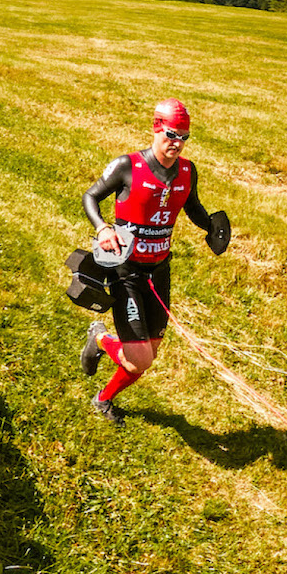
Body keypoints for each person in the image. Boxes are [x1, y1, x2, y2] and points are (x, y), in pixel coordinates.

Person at [78, 98, 222, 425]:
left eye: (184, 137)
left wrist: (209, 224)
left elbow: (193, 206)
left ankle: (103, 399)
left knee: (148, 354)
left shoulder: (187, 171)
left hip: (159, 271)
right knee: (139, 359)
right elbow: (91, 196)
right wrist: (102, 228)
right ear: (156, 128)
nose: (177, 143)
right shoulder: (127, 166)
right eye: (172, 134)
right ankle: (100, 337)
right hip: (124, 269)